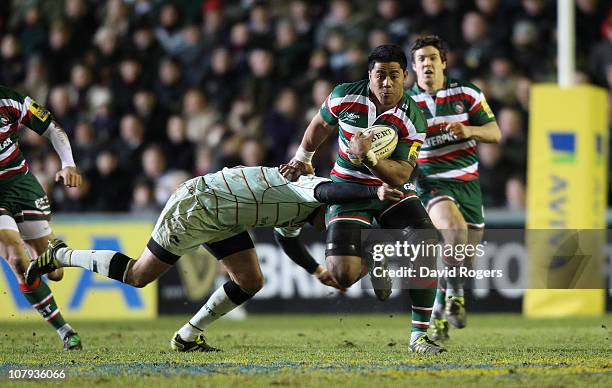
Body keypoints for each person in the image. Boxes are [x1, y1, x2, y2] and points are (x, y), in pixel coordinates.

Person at [26, 165, 404, 351]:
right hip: (199, 205)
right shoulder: (308, 188)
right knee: (139, 276)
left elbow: (287, 242)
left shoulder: (300, 217)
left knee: (252, 281)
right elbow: (332, 190)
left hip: (226, 217)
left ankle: (188, 337)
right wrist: (375, 189)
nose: (333, 231)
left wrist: (317, 269)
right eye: (336, 223)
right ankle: (62, 252)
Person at [280, 45, 444, 353]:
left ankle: (418, 338)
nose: (386, 83)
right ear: (368, 75)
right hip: (348, 189)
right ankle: (373, 253)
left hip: (390, 189)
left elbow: (400, 175)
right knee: (343, 276)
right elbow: (320, 124)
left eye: (394, 76)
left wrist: (367, 156)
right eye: (379, 75)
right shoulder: (345, 95)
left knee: (426, 242)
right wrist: (303, 157)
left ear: (405, 77)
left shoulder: (413, 118)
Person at [406, 35, 501, 341]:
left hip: (468, 183)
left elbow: (494, 132)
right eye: (420, 60)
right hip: (430, 181)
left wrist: (467, 130)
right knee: (453, 231)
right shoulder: (407, 104)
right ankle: (456, 298)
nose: (427, 64)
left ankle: (439, 314)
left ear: (443, 62)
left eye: (432, 58)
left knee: (461, 259)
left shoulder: (467, 92)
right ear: (413, 67)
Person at [0, 85, 83, 350]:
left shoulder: (8, 99)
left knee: (54, 271)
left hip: (20, 184)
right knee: (16, 258)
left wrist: (68, 163)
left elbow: (50, 126)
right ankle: (65, 330)